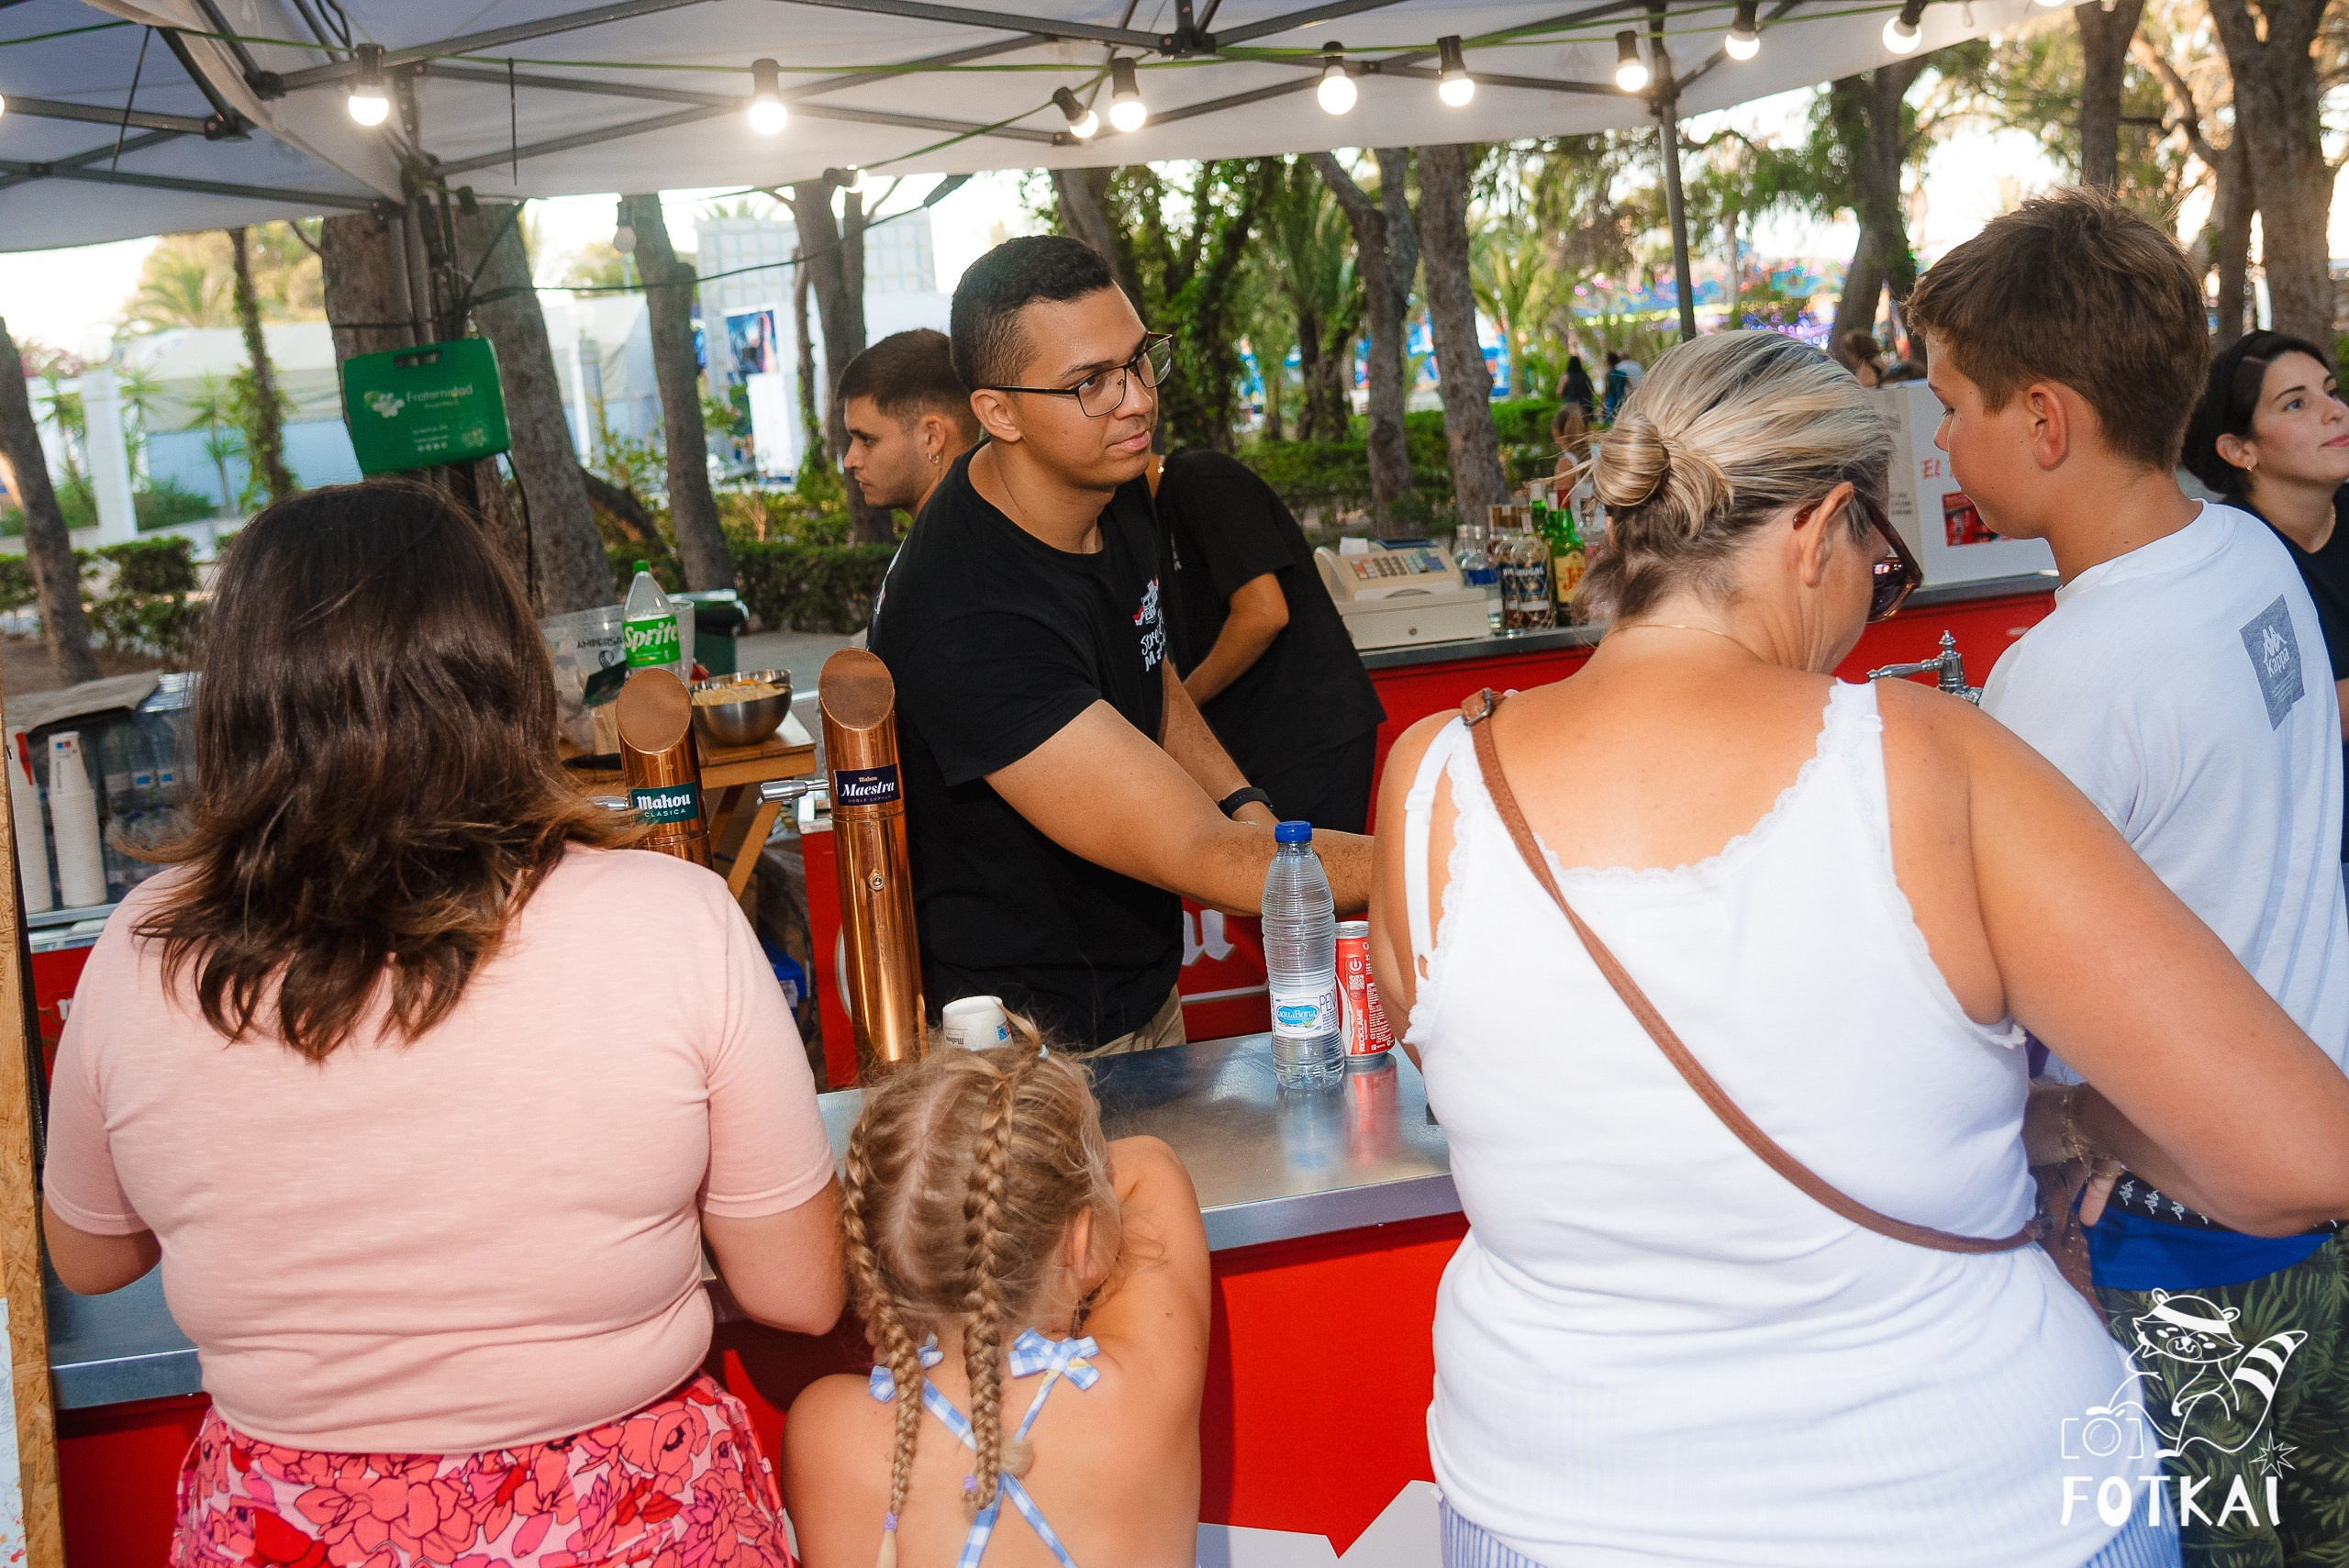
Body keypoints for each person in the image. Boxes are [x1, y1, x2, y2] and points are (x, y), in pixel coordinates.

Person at [1371, 328, 2349, 1568]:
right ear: (1820, 527)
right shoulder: (1928, 761)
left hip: (1551, 1507)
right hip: (1967, 1505)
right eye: (1878, 572)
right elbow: (2302, 1153)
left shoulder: (1430, 782)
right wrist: (2079, 1119)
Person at [42, 483, 844, 1566]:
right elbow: (797, 1290)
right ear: (506, 676)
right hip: (630, 1521)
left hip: (287, 1529)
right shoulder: (669, 915)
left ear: (238, 703)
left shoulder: (144, 945)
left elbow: (90, 1255)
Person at [1907, 188, 2349, 1568]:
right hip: (2301, 1168)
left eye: (1954, 402)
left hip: (2187, 1229)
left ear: (2045, 422)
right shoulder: (2246, 552)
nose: (1940, 437)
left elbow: (1971, 979)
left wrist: (2071, 1127)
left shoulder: (2073, 675)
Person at [868, 235, 1370, 1051]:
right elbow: (1200, 853)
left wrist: (1244, 801)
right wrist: (1445, 857)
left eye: (1139, 362)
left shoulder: (1111, 481)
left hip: (1139, 986)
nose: (1136, 400)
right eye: (1090, 383)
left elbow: (1147, 662)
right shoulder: (968, 616)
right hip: (1029, 1039)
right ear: (997, 412)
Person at [784, 1043, 1210, 1568]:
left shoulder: (826, 1436)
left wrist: (944, 1186)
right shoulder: (1142, 1391)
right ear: (1079, 1242)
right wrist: (1025, 1178)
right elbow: (1152, 1164)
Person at [2182, 328, 2349, 862]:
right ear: (2239, 449)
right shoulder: (2222, 559)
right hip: (2303, 859)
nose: (2334, 411)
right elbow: (2258, 726)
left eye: (2331, 390)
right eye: (2296, 403)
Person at [1158, 448, 1386, 832]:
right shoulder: (1154, 515)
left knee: (1310, 886)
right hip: (1258, 737)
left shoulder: (1204, 481)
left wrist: (1181, 704)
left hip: (1306, 733)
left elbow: (1263, 614)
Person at [841, 328, 984, 521]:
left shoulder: (957, 545)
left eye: (866, 440)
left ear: (932, 437)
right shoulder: (974, 529)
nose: (850, 461)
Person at [1556, 353, 1596, 419]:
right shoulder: (1585, 376)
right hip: (1586, 407)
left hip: (1571, 409)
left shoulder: (1566, 377)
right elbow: (1592, 390)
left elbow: (1559, 392)